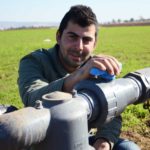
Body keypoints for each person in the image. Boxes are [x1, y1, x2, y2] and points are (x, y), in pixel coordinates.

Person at [18, 5, 140, 150]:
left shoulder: (97, 68)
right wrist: (80, 75)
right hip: (43, 142)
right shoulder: (34, 61)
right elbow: (32, 98)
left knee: (128, 148)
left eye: (87, 40)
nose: (79, 46)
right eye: (72, 37)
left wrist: (103, 142)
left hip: (82, 139)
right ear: (58, 36)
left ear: (95, 44)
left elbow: (112, 110)